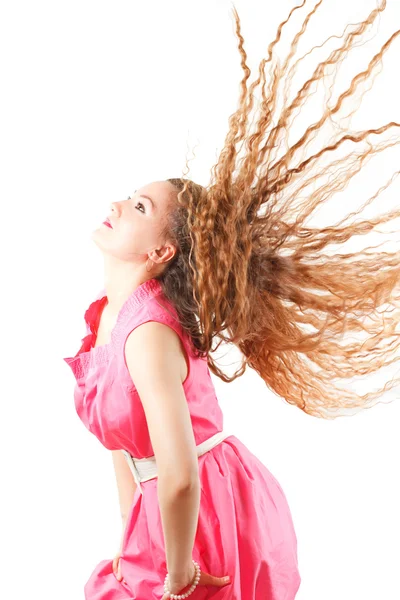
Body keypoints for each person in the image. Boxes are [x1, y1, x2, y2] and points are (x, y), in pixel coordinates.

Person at [63, 2, 400, 598]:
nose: (117, 205)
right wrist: (125, 539)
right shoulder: (107, 319)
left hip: (207, 505)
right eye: (130, 197)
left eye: (140, 207)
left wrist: (178, 572)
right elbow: (123, 446)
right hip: (166, 504)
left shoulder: (146, 335)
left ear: (162, 252)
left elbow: (180, 476)